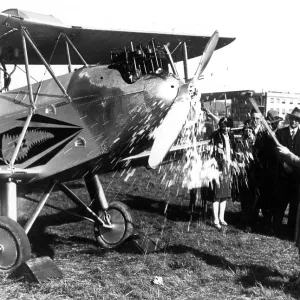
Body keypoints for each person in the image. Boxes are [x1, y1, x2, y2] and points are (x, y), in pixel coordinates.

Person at [274, 107, 300, 236]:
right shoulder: (280, 133)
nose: (294, 122)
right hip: (282, 173)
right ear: (289, 119)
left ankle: (290, 230)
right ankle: (276, 228)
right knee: (280, 201)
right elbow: (276, 151)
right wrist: (283, 164)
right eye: (293, 119)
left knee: (294, 204)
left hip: (297, 176)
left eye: (297, 120)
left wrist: (294, 168)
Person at [210, 117, 235, 229]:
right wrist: (216, 169)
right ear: (220, 126)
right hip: (219, 168)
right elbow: (212, 152)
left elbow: (232, 150)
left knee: (225, 195)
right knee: (217, 195)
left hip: (228, 167)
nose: (226, 128)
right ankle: (215, 220)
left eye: (227, 126)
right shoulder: (216, 135)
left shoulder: (231, 136)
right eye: (224, 126)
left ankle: (221, 218)